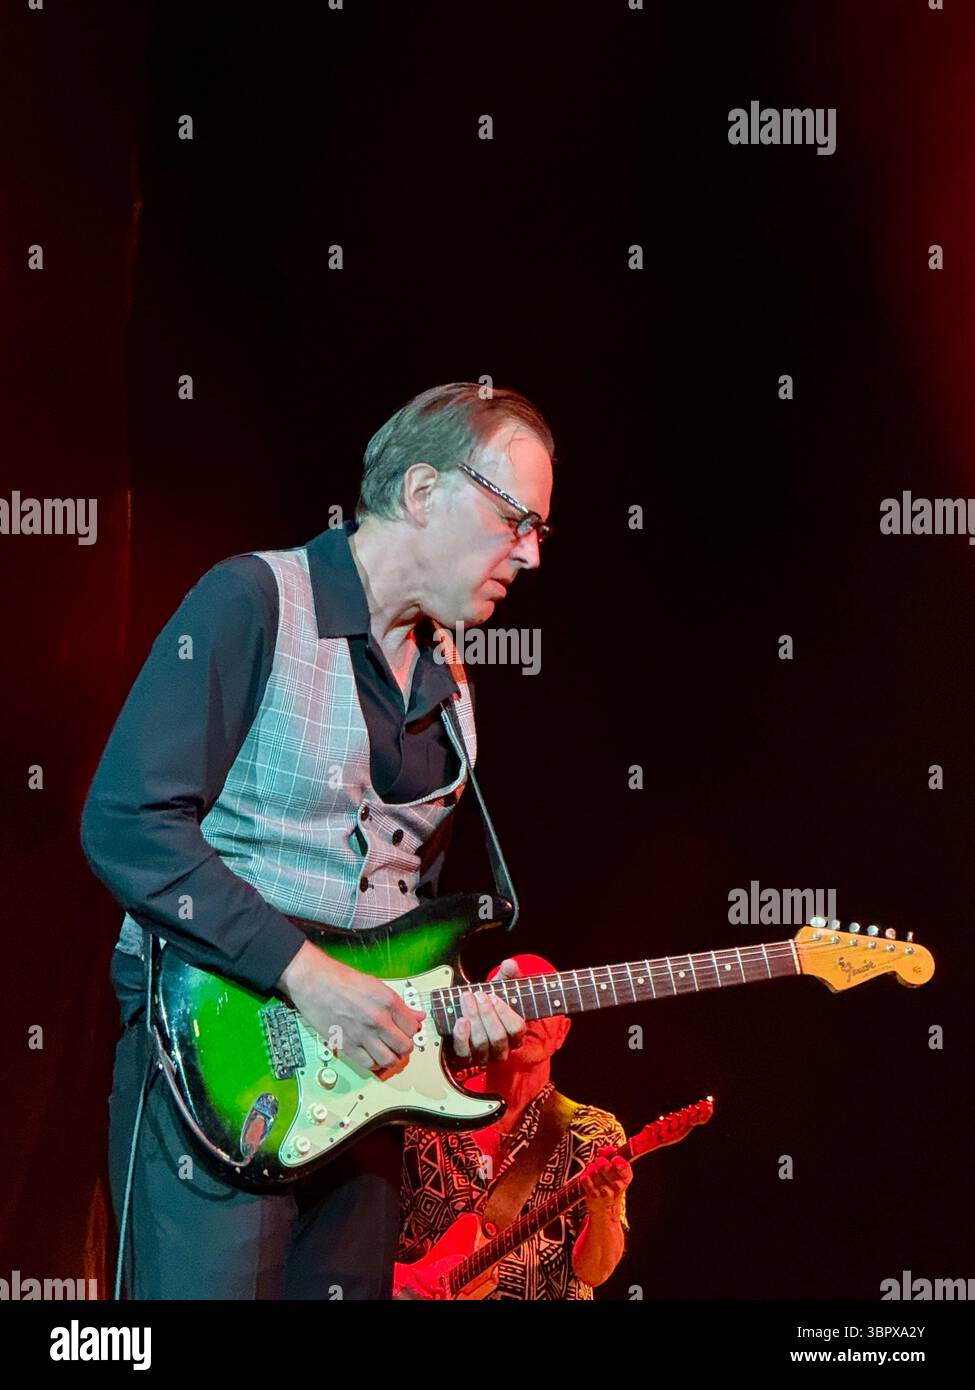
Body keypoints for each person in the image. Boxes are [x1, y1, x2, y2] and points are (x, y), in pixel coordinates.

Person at [80, 382, 555, 1299]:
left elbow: (404, 919)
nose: (529, 553)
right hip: (213, 1072)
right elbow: (127, 822)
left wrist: (459, 1019)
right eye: (515, 519)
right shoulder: (252, 599)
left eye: (540, 529)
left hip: (361, 1107)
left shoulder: (454, 688)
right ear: (422, 492)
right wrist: (306, 974)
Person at [396, 954, 633, 1300]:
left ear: (562, 1032)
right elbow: (363, 1227)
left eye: (546, 1000)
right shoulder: (426, 1106)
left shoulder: (594, 1131)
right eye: (513, 997)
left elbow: (594, 1272)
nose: (530, 1012)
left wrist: (603, 1211)